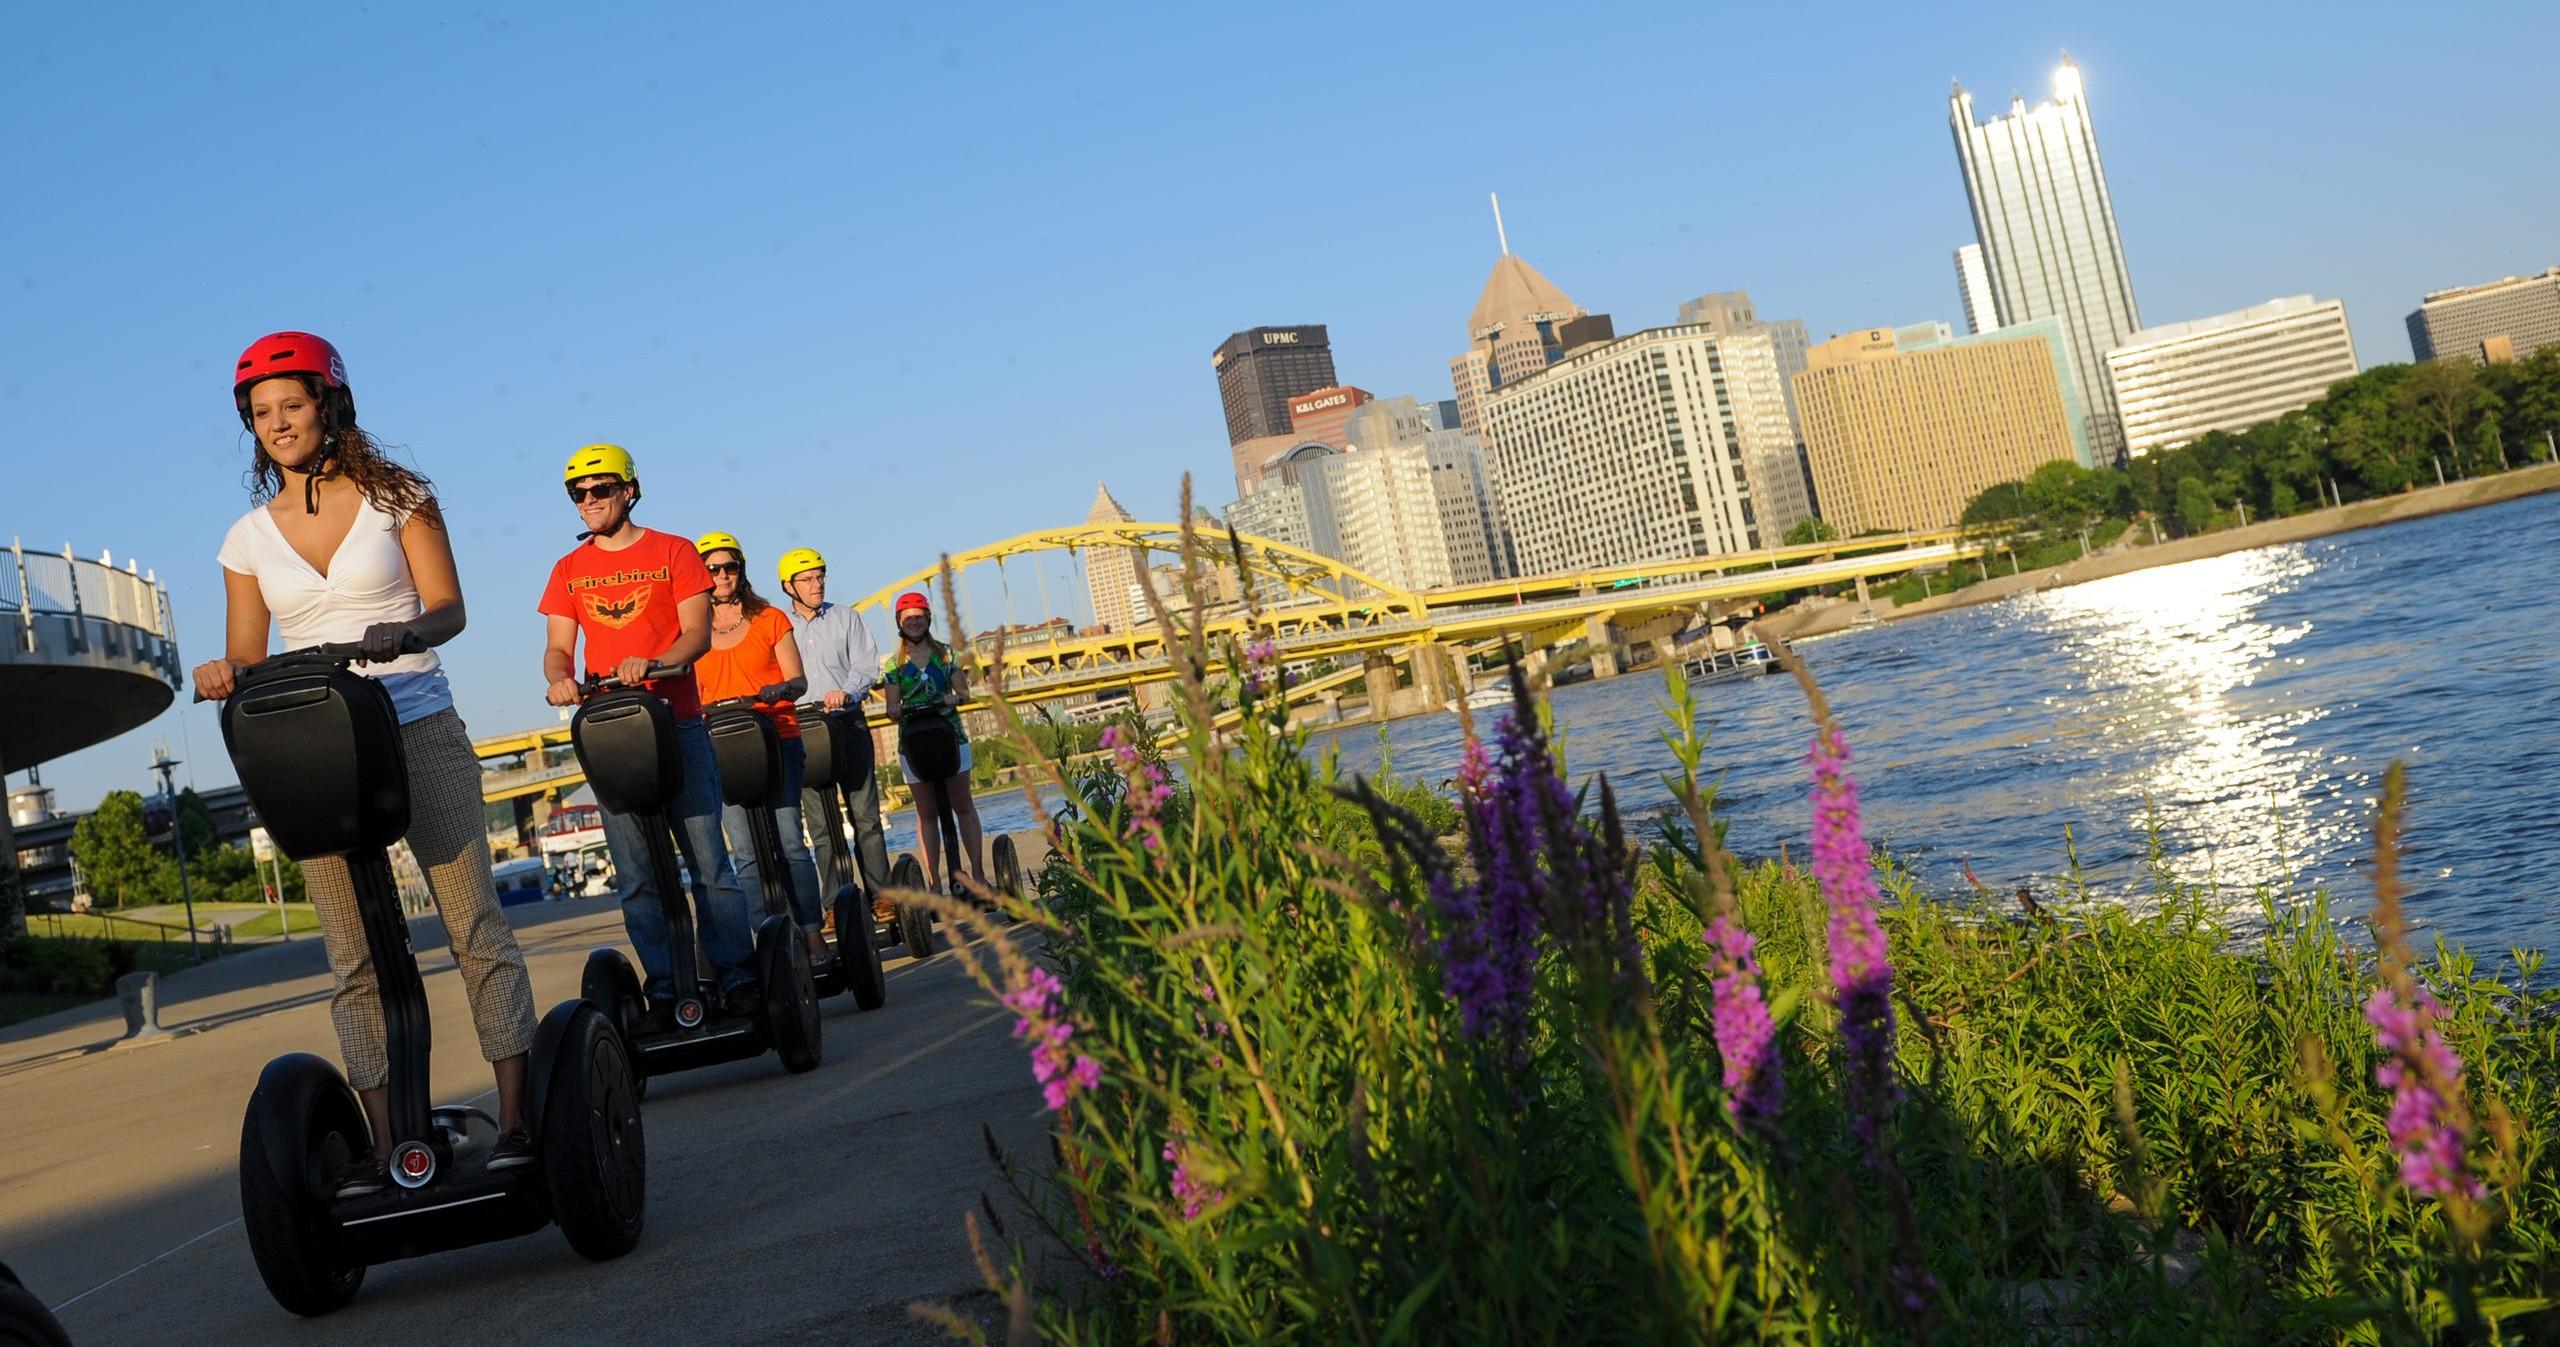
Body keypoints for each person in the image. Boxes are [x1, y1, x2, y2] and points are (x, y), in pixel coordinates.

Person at [194, 331, 540, 1196]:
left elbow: (450, 605)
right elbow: (246, 652)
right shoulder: (245, 538)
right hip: (318, 747)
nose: (278, 423)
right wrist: (220, 670)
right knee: (349, 954)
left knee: (474, 927)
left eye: (293, 405)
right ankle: (389, 1149)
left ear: (330, 405)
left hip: (414, 721)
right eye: (262, 412)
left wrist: (409, 630)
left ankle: (523, 1122)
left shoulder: (400, 496)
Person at [537, 444, 760, 1019]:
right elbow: (559, 648)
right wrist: (561, 679)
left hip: (676, 725)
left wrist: (653, 660)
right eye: (577, 494)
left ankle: (736, 974)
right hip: (614, 734)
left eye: (599, 489)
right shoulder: (567, 569)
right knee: (636, 876)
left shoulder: (674, 551)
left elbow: (697, 634)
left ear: (628, 491)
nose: (588, 501)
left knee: (709, 864)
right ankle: (664, 985)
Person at [691, 532, 827, 965]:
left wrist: (780, 688)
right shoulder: (690, 631)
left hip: (777, 739)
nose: (722, 576)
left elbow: (799, 680)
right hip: (723, 748)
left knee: (790, 842)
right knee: (745, 853)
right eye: (712, 569)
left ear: (741, 570)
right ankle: (764, 944)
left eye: (730, 567)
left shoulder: (770, 618)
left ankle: (811, 933)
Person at [776, 547, 892, 904]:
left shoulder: (847, 618)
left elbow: (866, 666)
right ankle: (833, 903)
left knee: (866, 817)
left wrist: (848, 691)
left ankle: (882, 896)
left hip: (847, 723)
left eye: (820, 576)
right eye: (808, 579)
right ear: (788, 586)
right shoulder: (779, 627)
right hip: (805, 729)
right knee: (821, 826)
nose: (817, 584)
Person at [880, 591, 985, 893]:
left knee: (963, 804)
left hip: (950, 735)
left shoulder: (947, 655)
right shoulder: (892, 666)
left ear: (928, 619)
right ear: (899, 623)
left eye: (918, 616)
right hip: (914, 743)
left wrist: (957, 697)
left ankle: (978, 876)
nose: (913, 622)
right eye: (907, 618)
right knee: (926, 813)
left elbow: (964, 692)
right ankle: (934, 882)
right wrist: (894, 710)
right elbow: (891, 709)